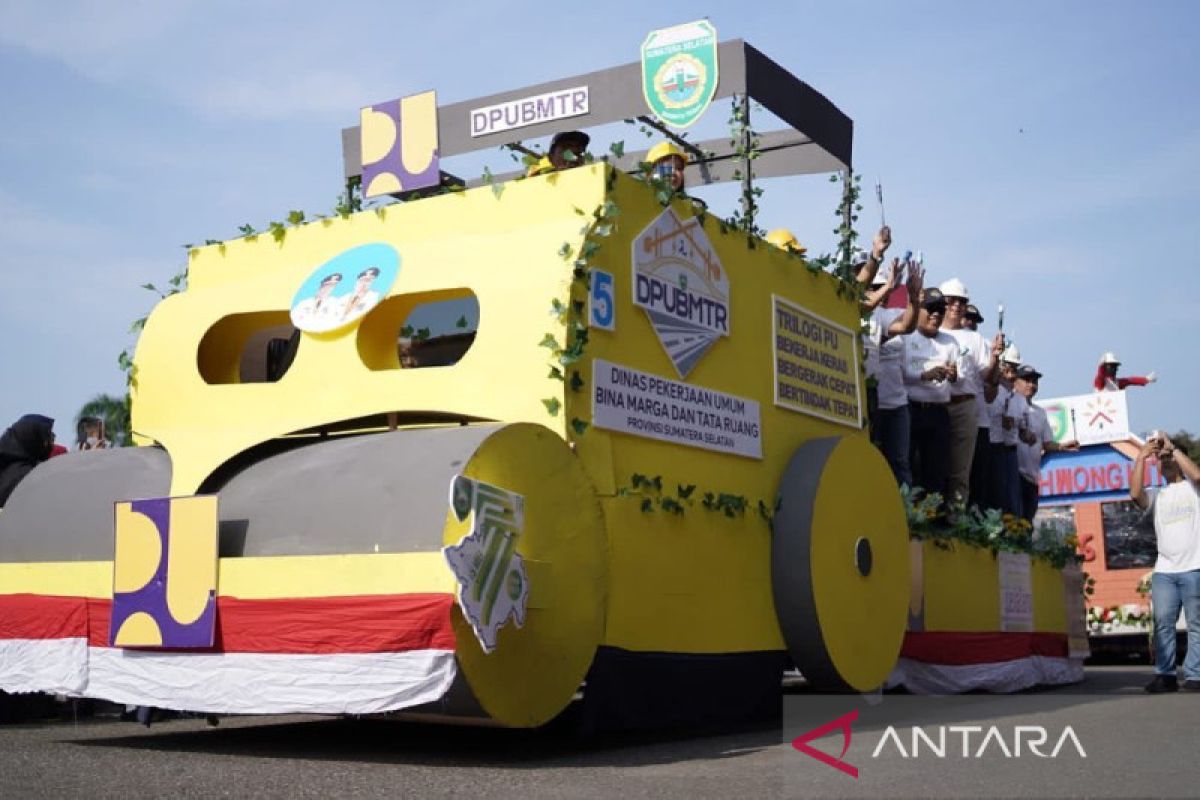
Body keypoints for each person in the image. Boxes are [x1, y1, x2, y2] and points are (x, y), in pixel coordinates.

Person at [1130, 433, 1200, 693]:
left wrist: (1173, 449)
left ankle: (1195, 675)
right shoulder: (1158, 495)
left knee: (1196, 624)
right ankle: (1166, 675)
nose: (1166, 461)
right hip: (1165, 571)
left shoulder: (1193, 489)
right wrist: (1141, 457)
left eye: (1169, 458)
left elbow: (1198, 476)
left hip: (1195, 567)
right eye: (1162, 460)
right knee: (1162, 623)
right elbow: (1135, 494)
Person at [939, 278, 1003, 507]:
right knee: (935, 464)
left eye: (962, 301)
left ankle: (956, 518)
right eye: (951, 300)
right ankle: (932, 516)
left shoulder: (975, 339)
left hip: (965, 406)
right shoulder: (930, 331)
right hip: (934, 404)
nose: (957, 305)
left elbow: (989, 378)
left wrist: (995, 358)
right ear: (942, 302)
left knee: (961, 469)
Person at [865, 261, 924, 487]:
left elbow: (907, 326)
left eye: (883, 286)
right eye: (874, 286)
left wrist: (915, 300)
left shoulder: (883, 315)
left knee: (900, 462)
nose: (880, 291)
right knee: (871, 459)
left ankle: (905, 514)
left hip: (896, 405)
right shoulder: (850, 309)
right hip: (868, 400)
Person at [901, 288, 958, 500]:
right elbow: (901, 373)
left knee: (937, 468)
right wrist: (925, 375)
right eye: (931, 309)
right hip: (911, 408)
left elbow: (956, 376)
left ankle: (933, 516)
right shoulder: (906, 336)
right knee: (909, 463)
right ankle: (910, 513)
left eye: (940, 310)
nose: (936, 315)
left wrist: (952, 374)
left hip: (939, 411)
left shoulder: (950, 342)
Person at [1014, 364, 1079, 521]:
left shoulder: (1040, 412)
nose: (1031, 385)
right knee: (1012, 520)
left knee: (1027, 522)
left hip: (1032, 477)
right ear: (1015, 381)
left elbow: (1046, 443)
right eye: (1027, 380)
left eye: (1034, 381)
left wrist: (1062, 446)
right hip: (1014, 474)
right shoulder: (1009, 404)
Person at [983, 344, 1027, 515]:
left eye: (1014, 369)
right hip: (992, 445)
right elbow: (990, 413)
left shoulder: (1016, 397)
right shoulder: (994, 390)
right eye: (1008, 368)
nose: (1011, 374)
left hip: (1008, 449)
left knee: (1011, 497)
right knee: (997, 494)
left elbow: (1022, 428)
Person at [0, 414, 55, 508]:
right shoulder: (29, 476)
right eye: (47, 437)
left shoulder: (6, 469)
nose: (50, 444)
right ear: (33, 439)